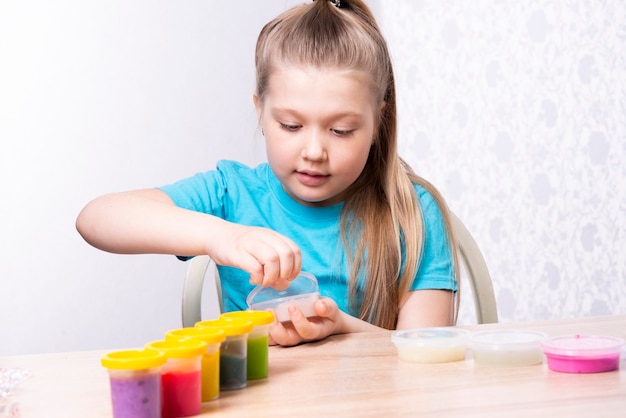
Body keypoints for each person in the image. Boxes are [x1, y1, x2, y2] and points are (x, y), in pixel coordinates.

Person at [76, 0, 459, 347]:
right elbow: (96, 219)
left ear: (378, 122)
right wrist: (222, 236)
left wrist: (342, 327)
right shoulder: (233, 194)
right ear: (260, 110)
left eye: (341, 130)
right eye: (291, 126)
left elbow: (428, 356)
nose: (313, 152)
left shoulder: (412, 213)